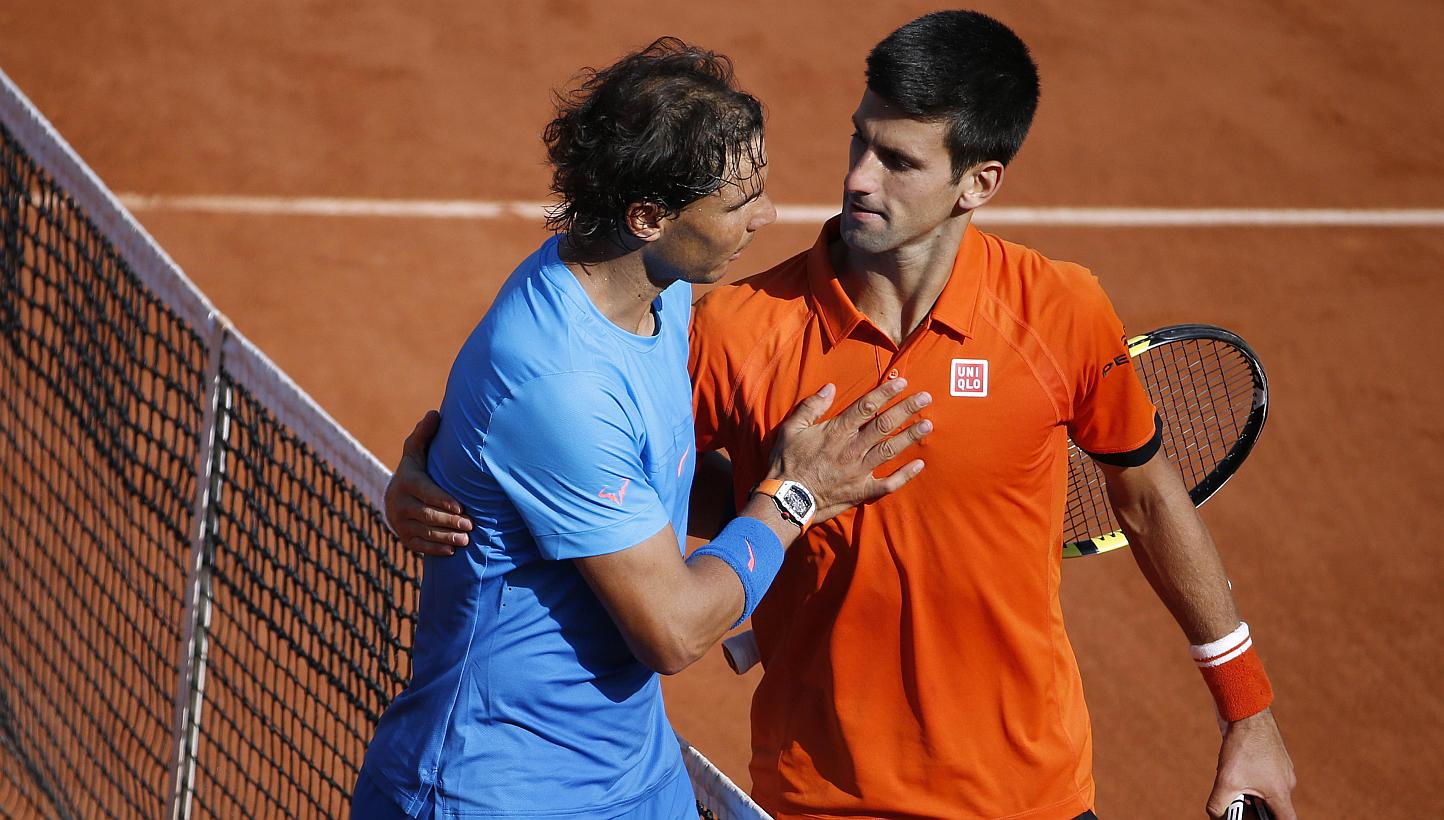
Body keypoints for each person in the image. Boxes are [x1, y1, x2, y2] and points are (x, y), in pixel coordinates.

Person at [388, 12, 1298, 820]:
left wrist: (1247, 712)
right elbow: (592, 452)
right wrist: (430, 481)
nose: (858, 179)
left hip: (1030, 795)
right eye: (859, 141)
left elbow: (1144, 495)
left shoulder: (1060, 311)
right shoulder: (734, 327)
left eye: (898, 160)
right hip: (816, 796)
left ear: (977, 183)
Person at [351, 38, 934, 819]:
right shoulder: (558, 382)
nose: (766, 217)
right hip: (498, 790)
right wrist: (792, 498)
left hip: (632, 775)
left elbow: (654, 474)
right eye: (738, 204)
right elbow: (672, 631)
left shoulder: (658, 291)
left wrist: (823, 507)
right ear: (648, 216)